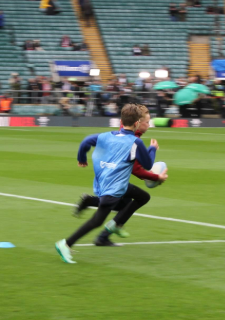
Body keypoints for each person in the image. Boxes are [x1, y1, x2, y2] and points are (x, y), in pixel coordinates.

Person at [55, 104, 159, 263]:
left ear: (121, 120)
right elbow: (148, 165)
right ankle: (66, 244)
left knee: (142, 196)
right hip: (113, 188)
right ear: (137, 123)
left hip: (104, 181)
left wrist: (82, 158)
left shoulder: (106, 135)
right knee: (97, 221)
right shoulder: (135, 143)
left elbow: (85, 142)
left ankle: (114, 224)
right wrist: (152, 149)